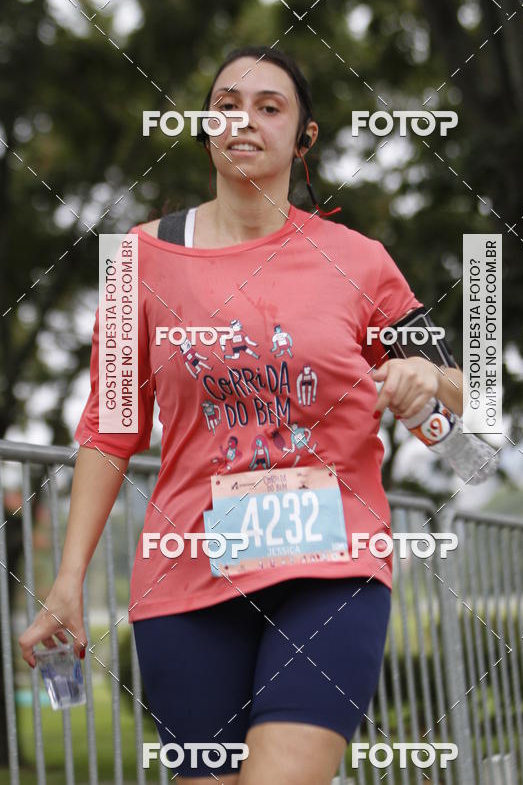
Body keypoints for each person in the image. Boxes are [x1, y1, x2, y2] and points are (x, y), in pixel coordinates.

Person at [18, 46, 464, 784]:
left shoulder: (359, 261)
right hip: (185, 583)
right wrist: (67, 581)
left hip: (331, 569)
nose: (244, 120)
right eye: (226, 103)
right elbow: (110, 428)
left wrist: (427, 377)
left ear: (304, 136)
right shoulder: (139, 259)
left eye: (269, 106)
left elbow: (473, 392)